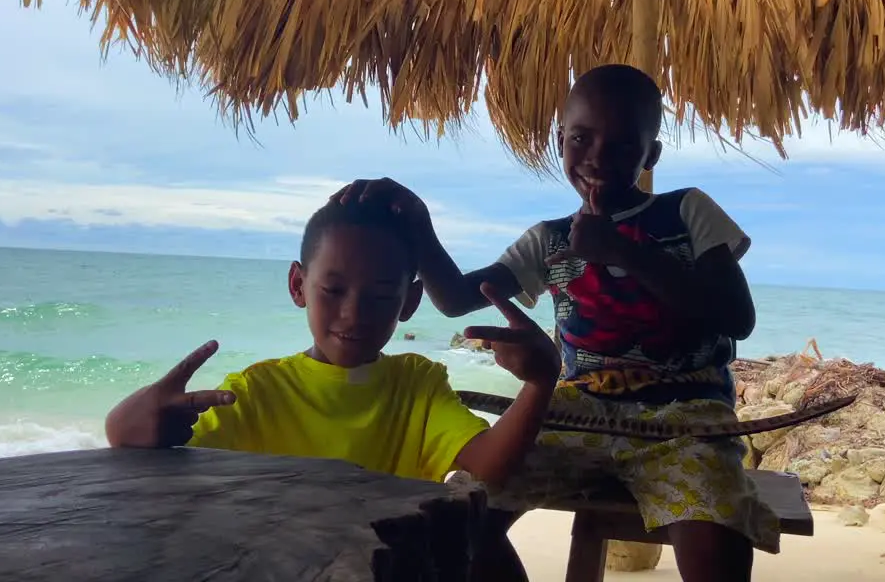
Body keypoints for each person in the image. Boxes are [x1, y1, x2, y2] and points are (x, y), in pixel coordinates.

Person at [330, 64, 779, 582]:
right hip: (575, 412)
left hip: (688, 419)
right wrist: (418, 225)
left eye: (622, 146)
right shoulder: (550, 239)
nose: (596, 158)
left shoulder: (687, 212)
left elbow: (736, 317)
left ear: (651, 155)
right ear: (559, 139)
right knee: (466, 514)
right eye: (581, 139)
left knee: (712, 539)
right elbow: (455, 299)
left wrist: (622, 251)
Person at [104, 198, 560, 580]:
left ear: (410, 301)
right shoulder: (257, 391)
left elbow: (490, 466)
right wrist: (126, 424)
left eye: (381, 296)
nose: (353, 314)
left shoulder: (417, 384)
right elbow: (162, 469)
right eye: (333, 290)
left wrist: (541, 383)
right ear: (298, 285)